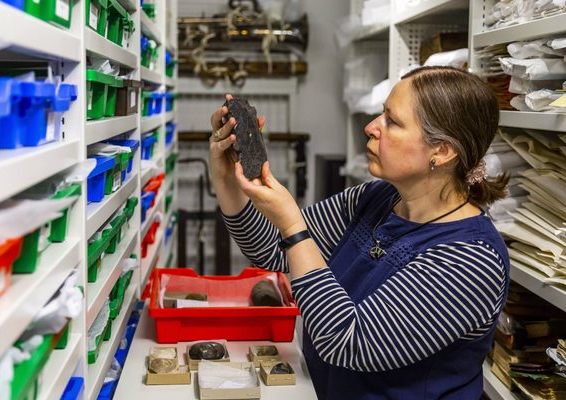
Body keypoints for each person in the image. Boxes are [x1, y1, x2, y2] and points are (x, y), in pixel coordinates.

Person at [208, 66, 511, 400]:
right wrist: (226, 180)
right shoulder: (376, 198)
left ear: (442, 150)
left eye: (392, 121)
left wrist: (294, 226)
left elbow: (349, 342)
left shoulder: (471, 258)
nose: (371, 127)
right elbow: (274, 250)